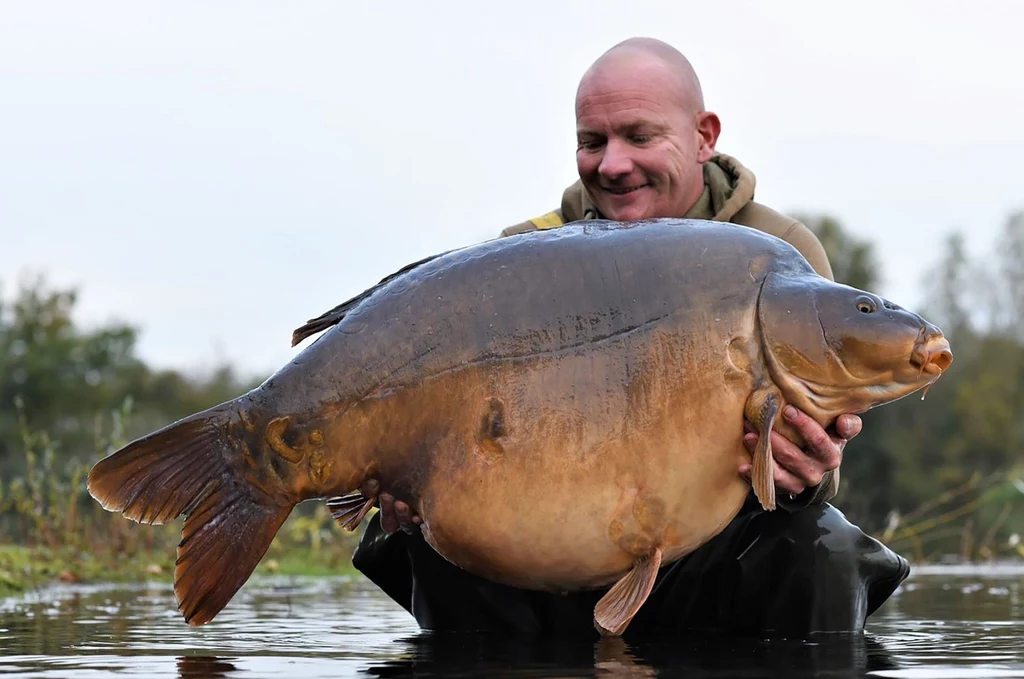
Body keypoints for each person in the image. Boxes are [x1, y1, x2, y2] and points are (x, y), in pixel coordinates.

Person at [351, 37, 910, 638]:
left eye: (640, 137)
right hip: (547, 539)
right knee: (411, 535)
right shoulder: (525, 255)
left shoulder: (781, 255)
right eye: (592, 143)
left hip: (709, 543)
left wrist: (812, 471)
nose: (612, 164)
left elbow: (817, 461)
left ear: (704, 136)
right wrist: (412, 482)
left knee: (823, 547)